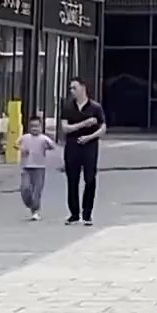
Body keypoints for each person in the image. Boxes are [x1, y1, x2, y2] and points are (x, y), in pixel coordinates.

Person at [56, 78, 105, 225]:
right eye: (71, 88)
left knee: (90, 179)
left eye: (74, 88)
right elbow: (65, 128)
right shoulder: (68, 107)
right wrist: (84, 124)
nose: (72, 91)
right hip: (72, 146)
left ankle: (87, 213)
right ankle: (74, 214)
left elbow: (102, 128)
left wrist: (89, 137)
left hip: (90, 145)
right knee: (72, 180)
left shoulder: (95, 107)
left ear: (83, 88)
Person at [16, 116, 56, 220]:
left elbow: (52, 146)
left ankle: (35, 210)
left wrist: (48, 146)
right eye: (32, 126)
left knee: (37, 190)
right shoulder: (25, 137)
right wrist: (21, 148)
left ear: (41, 127)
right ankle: (30, 203)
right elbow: (16, 144)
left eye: (37, 126)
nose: (34, 128)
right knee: (25, 188)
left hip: (39, 167)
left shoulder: (43, 138)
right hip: (26, 167)